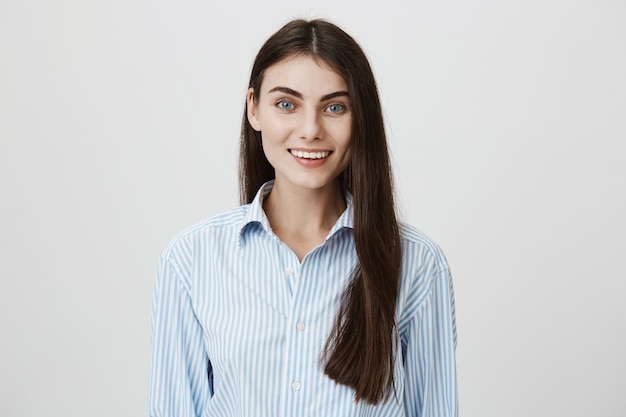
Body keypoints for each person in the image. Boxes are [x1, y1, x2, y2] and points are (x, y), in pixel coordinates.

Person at [147, 19, 457, 417]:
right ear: (254, 109)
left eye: (334, 107)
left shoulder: (418, 265)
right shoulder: (191, 260)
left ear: (359, 119)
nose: (310, 130)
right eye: (286, 104)